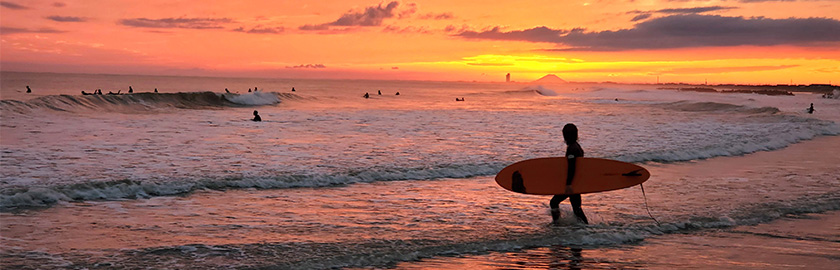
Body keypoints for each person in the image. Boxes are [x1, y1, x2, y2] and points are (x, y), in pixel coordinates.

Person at [550, 123, 589, 224]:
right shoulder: (577, 146)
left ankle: (556, 224)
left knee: (554, 202)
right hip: (576, 182)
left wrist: (568, 184)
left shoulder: (572, 149)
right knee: (577, 209)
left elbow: (572, 167)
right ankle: (587, 228)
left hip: (572, 183)